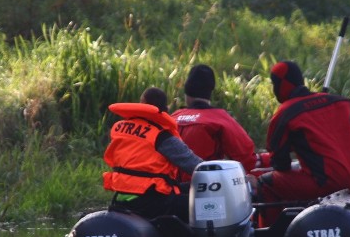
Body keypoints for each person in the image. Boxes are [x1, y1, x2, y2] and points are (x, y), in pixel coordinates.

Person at [250, 60, 350, 225]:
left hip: (329, 184)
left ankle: (270, 235)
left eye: (274, 84)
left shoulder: (285, 114)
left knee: (266, 182)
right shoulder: (342, 102)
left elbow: (281, 165)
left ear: (281, 85)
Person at [103, 87, 203, 221]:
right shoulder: (161, 136)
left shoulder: (120, 127)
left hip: (122, 197)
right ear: (165, 110)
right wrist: (216, 173)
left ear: (141, 104)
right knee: (203, 205)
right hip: (150, 200)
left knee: (186, 186)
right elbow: (194, 165)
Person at [171, 64, 258, 180]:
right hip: (202, 187)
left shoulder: (172, 117)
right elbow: (247, 159)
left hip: (167, 189)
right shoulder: (220, 119)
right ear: (210, 92)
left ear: (186, 93)